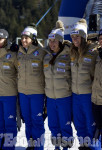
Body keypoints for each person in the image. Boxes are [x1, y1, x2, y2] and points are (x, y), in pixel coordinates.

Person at [70, 19, 100, 150]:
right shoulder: (71, 51)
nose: (75, 39)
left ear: (83, 36)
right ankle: (83, 145)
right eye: (73, 36)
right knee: (78, 122)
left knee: (90, 123)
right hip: (75, 94)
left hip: (88, 94)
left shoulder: (93, 51)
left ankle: (92, 147)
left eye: (77, 36)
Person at [43, 20, 73, 150]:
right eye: (50, 41)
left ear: (60, 41)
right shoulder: (46, 56)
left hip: (64, 97)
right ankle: (56, 147)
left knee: (65, 124)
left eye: (54, 41)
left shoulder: (68, 55)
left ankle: (65, 147)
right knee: (53, 125)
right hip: (50, 97)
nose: (52, 43)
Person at [17, 24, 46, 150]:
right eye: (22, 37)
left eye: (26, 38)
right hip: (23, 93)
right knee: (27, 121)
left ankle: (39, 146)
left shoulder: (42, 52)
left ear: (33, 38)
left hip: (37, 93)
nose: (23, 40)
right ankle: (31, 144)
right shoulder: (18, 52)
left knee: (37, 121)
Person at [92, 29, 102, 148]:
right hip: (96, 99)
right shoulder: (97, 55)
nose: (101, 41)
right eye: (100, 38)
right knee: (98, 127)